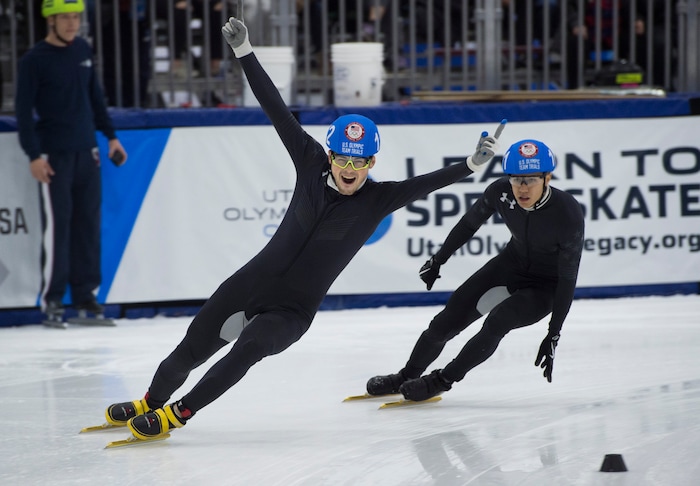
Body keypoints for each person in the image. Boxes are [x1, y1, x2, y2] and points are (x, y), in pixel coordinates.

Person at [101, 16, 504, 441]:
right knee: (189, 349)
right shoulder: (309, 161)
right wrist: (245, 52)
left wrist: (472, 165)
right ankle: (151, 400)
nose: (349, 170)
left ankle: (177, 414)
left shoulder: (379, 198)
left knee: (248, 348)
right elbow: (275, 106)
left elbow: (428, 183)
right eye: (342, 159)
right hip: (249, 284)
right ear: (330, 155)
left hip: (290, 312)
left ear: (372, 164)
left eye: (359, 162)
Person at [367, 139, 584, 402]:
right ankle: (406, 376)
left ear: (547, 178)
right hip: (510, 265)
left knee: (498, 320)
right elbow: (469, 224)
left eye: (530, 180)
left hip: (545, 286)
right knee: (444, 322)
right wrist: (439, 259)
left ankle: (442, 380)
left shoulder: (567, 212)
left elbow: (568, 277)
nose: (522, 189)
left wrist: (554, 332)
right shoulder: (501, 192)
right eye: (516, 180)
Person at [14, 0, 128, 324]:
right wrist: (34, 155)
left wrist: (111, 136)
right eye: (65, 17)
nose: (72, 23)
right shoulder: (33, 60)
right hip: (54, 158)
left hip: (87, 153)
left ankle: (85, 297)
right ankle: (52, 300)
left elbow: (96, 98)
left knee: (88, 228)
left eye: (76, 17)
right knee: (58, 230)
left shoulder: (82, 51)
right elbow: (23, 113)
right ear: (50, 20)